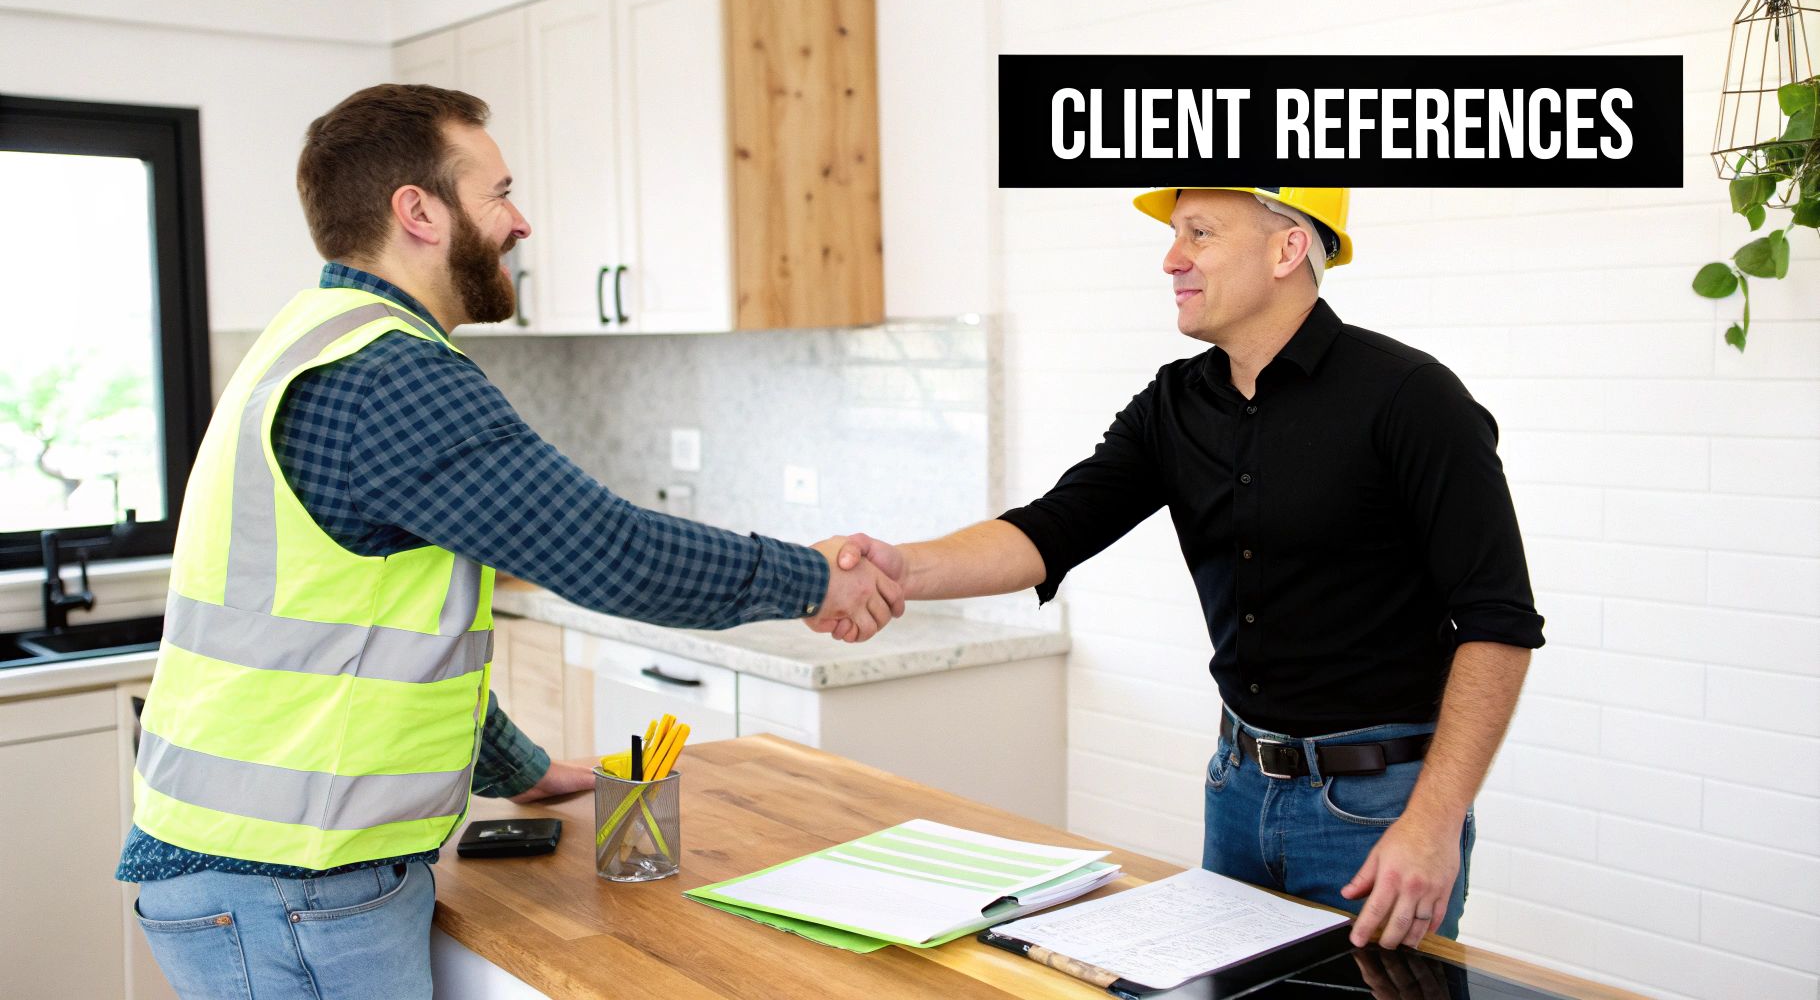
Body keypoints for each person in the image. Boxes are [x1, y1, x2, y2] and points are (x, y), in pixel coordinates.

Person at [119, 83, 903, 999]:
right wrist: (814, 578)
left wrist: (517, 770)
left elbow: (360, 647)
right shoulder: (391, 375)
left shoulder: (307, 342)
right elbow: (610, 551)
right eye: (496, 192)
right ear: (418, 211)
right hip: (288, 882)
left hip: (256, 868)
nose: (520, 221)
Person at [816, 185, 1544, 949]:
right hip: (1237, 787)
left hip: (1381, 809)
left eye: (1199, 234)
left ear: (1287, 249)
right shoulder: (1175, 402)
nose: (1171, 260)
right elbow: (1049, 530)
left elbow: (1498, 621)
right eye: (1174, 236)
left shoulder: (1411, 398)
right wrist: (897, 569)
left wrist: (1432, 822)